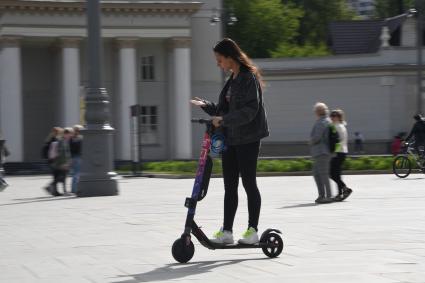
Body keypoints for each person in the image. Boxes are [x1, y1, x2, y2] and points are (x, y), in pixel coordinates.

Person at [190, 38, 269, 245]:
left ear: (229, 57)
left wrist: (224, 119)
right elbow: (223, 111)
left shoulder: (248, 78)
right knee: (229, 186)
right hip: (231, 138)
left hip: (249, 138)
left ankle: (252, 231)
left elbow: (250, 111)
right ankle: (227, 232)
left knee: (249, 183)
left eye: (219, 59)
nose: (218, 64)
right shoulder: (232, 81)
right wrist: (206, 105)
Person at [310, 102, 333, 204]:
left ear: (318, 112)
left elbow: (317, 137)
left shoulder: (321, 122)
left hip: (321, 152)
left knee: (323, 175)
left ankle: (328, 196)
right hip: (323, 152)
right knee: (317, 174)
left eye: (315, 111)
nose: (314, 112)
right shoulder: (327, 121)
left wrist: (311, 141)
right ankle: (321, 195)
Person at [329, 109, 352, 202]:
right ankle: (339, 194)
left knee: (331, 173)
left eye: (334, 115)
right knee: (337, 174)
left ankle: (345, 189)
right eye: (331, 115)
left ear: (338, 117)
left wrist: (334, 152)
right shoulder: (342, 125)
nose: (332, 117)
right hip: (343, 152)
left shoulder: (336, 126)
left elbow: (338, 140)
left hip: (339, 152)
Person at [47, 128, 72, 196]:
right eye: (69, 134)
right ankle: (53, 188)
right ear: (66, 134)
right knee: (61, 177)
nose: (70, 135)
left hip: (61, 163)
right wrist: (64, 163)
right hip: (61, 163)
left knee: (61, 177)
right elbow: (61, 153)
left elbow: (66, 153)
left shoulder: (64, 140)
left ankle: (55, 189)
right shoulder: (62, 141)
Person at [70, 125, 83, 194]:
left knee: (75, 173)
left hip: (73, 157)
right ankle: (75, 189)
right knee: (77, 174)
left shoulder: (71, 138)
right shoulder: (80, 138)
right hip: (78, 157)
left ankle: (73, 189)